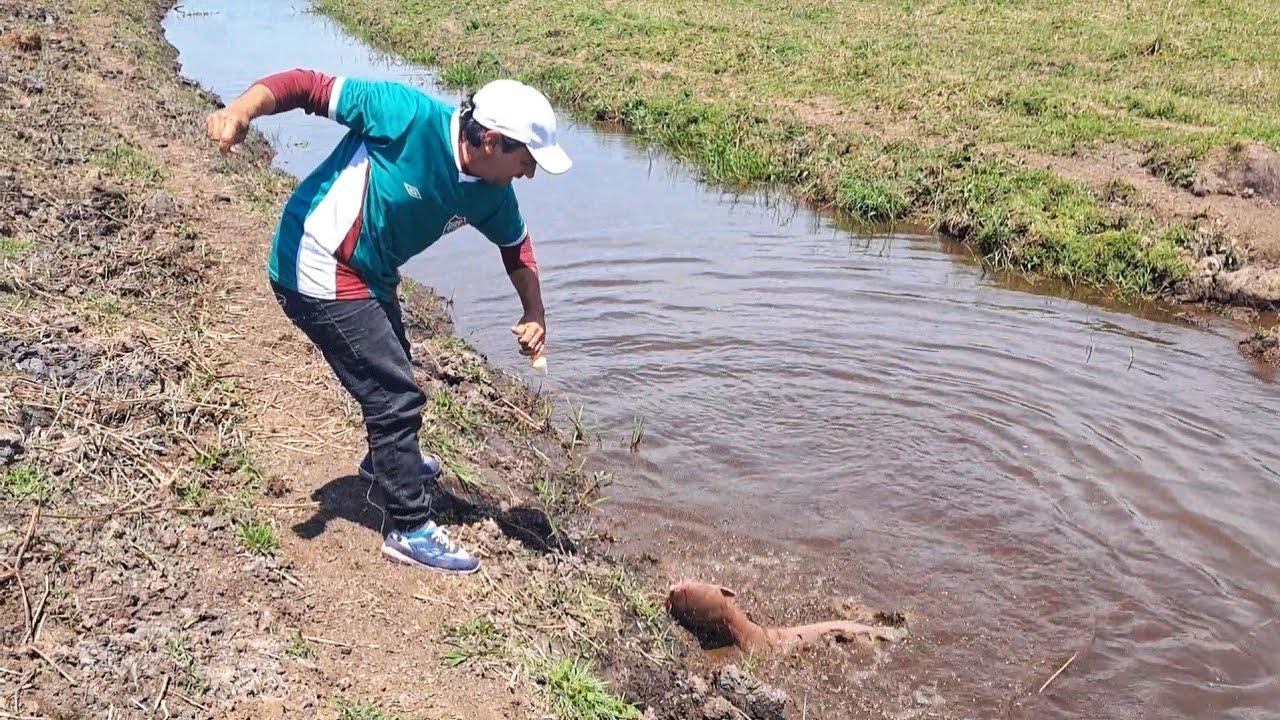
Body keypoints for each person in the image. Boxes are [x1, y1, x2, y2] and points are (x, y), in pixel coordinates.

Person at [204, 68, 572, 575]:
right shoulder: (405, 115)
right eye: (527, 160)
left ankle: (386, 462)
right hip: (314, 260)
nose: (529, 174)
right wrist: (240, 110)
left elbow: (516, 247)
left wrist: (535, 312)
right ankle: (409, 527)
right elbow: (305, 86)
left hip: (369, 272)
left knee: (393, 365)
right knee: (393, 392)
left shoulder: (490, 190)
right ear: (490, 140)